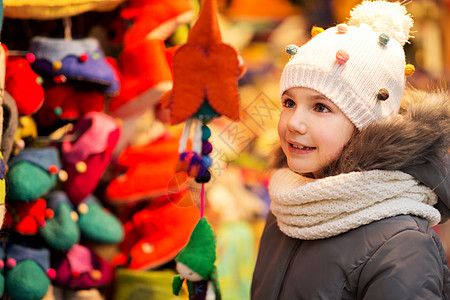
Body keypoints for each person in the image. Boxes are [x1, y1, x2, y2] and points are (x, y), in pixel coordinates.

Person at [251, 1, 450, 299]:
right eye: (289, 103)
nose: (294, 123)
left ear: (369, 125)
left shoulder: (402, 245)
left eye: (321, 107)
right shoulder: (290, 206)